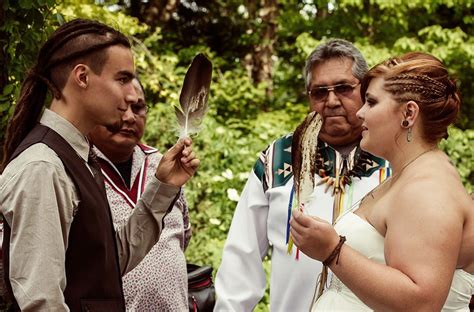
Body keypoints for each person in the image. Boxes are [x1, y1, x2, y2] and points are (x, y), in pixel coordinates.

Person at [0, 19, 199, 311]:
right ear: (82, 77)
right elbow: (42, 302)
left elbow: (107, 264)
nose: (131, 94)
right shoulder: (44, 166)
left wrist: (163, 187)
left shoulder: (78, 156)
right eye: (122, 78)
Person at [214, 39, 390, 311]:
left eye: (343, 88)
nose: (331, 101)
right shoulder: (278, 158)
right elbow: (241, 259)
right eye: (319, 92)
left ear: (365, 91)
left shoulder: (391, 159)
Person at [290, 52, 474, 311]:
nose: (361, 113)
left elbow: (421, 302)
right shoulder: (409, 174)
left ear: (408, 113)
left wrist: (331, 250)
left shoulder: (427, 190)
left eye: (372, 102)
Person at [89, 77, 191, 311]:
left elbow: (182, 236)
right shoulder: (76, 169)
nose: (129, 117)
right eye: (119, 107)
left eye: (138, 108)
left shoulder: (164, 165)